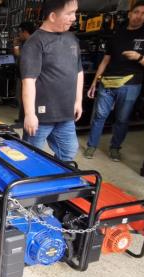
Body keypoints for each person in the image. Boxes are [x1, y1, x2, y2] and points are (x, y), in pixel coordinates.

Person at [84, 0, 144, 162]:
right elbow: (105, 60)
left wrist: (139, 57)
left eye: (143, 13)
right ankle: (92, 145)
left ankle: (115, 148)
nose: (139, 16)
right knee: (99, 115)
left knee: (122, 118)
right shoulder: (117, 33)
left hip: (130, 84)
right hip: (108, 81)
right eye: (136, 12)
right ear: (130, 13)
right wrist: (95, 81)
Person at [20, 0, 83, 162]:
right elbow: (29, 81)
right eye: (69, 13)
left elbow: (79, 72)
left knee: (68, 151)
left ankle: (57, 184)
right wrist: (29, 114)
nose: (74, 18)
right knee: (30, 156)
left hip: (66, 113)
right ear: (53, 16)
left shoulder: (72, 39)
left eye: (75, 12)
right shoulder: (35, 42)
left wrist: (78, 101)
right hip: (41, 117)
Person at [14, 22, 36, 125]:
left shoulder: (30, 43)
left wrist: (15, 46)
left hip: (27, 76)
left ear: (25, 32)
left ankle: (23, 120)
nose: (19, 35)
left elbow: (21, 58)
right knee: (22, 98)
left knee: (23, 98)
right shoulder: (28, 42)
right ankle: (21, 118)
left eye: (20, 32)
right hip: (25, 75)